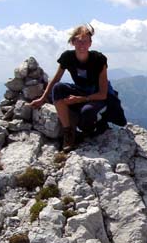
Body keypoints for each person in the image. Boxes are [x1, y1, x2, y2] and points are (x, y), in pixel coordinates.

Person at [31, 24, 109, 152]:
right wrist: (42, 98)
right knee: (58, 88)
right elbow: (56, 79)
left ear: (90, 43)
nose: (82, 45)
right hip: (80, 89)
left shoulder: (99, 59)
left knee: (87, 113)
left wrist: (80, 99)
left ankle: (93, 127)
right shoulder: (67, 57)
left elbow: (103, 94)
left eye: (85, 41)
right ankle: (68, 132)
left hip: (96, 94)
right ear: (73, 42)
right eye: (79, 41)